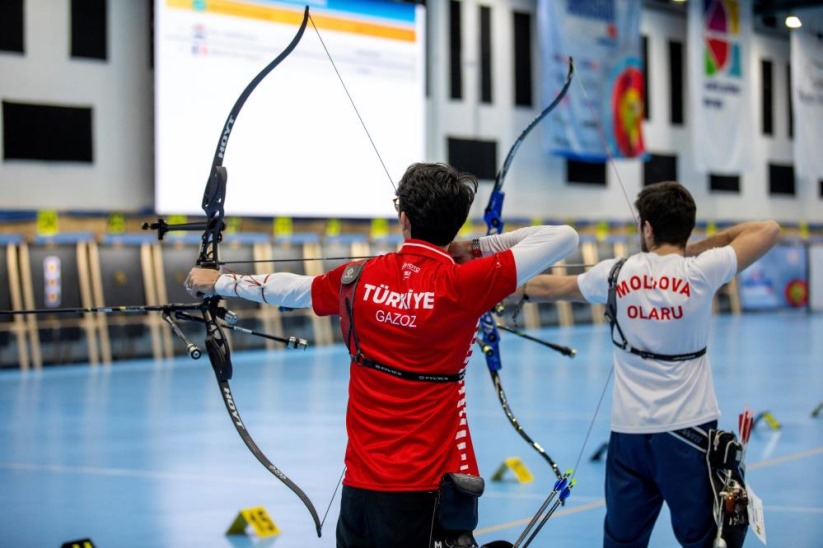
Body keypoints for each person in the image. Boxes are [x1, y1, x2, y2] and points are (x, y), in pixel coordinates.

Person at [185, 162, 579, 547]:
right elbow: (563, 237)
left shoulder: (359, 277)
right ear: (455, 224)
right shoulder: (465, 283)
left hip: (359, 488)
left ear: (403, 219)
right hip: (424, 490)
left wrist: (220, 280)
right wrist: (471, 247)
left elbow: (293, 289)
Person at [503, 181, 780, 548]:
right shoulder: (702, 270)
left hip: (629, 437)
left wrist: (486, 283)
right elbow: (768, 230)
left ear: (646, 228)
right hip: (689, 434)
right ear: (687, 227)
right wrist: (693, 249)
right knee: (704, 540)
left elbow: (548, 289)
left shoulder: (615, 273)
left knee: (622, 542)